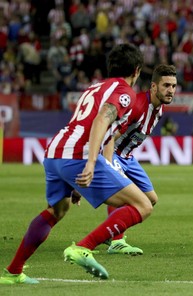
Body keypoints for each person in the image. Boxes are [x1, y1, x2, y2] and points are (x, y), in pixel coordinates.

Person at [0, 43, 147, 284]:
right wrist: (90, 163)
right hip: (78, 156)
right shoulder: (125, 92)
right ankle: (83, 247)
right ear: (137, 71)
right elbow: (102, 119)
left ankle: (14, 271)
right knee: (143, 204)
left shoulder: (94, 87)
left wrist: (76, 182)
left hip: (54, 152)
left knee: (56, 211)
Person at [100, 64, 178, 255]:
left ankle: (109, 232)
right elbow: (109, 135)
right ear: (153, 87)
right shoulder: (137, 106)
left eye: (174, 86)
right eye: (166, 85)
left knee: (151, 199)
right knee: (125, 196)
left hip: (128, 157)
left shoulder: (159, 108)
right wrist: (109, 166)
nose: (171, 91)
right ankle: (116, 240)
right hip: (114, 153)